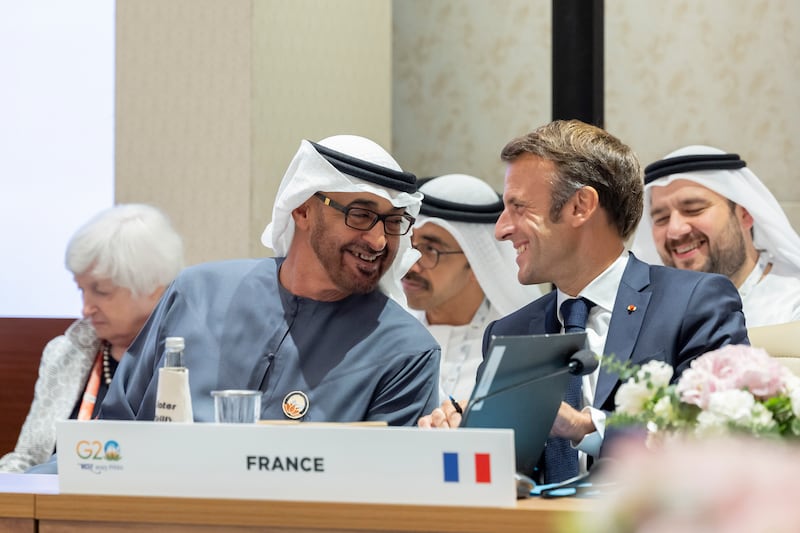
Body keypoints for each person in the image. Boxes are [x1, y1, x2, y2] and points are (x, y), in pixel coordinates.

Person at [419, 120, 748, 484]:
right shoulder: (509, 331)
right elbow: (497, 474)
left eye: (519, 207)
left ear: (580, 206)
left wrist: (584, 426)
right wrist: (461, 438)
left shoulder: (694, 303)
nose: (501, 229)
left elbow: (719, 431)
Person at [99, 135, 440, 425]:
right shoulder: (196, 294)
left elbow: (388, 485)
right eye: (361, 215)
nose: (379, 241)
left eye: (394, 222)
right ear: (303, 210)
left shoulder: (405, 352)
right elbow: (112, 436)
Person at [0, 204, 184, 473]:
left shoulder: (184, 362)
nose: (86, 308)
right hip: (56, 509)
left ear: (154, 288)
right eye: (82, 289)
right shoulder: (65, 353)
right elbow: (27, 459)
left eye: (101, 291)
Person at [401, 174, 542, 401]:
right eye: (410, 243)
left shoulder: (518, 350)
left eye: (430, 249)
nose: (411, 265)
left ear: (478, 263)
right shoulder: (387, 332)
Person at [631, 145, 800, 327]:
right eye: (661, 218)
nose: (675, 229)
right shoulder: (648, 318)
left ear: (744, 214)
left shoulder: (792, 305)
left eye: (693, 210)